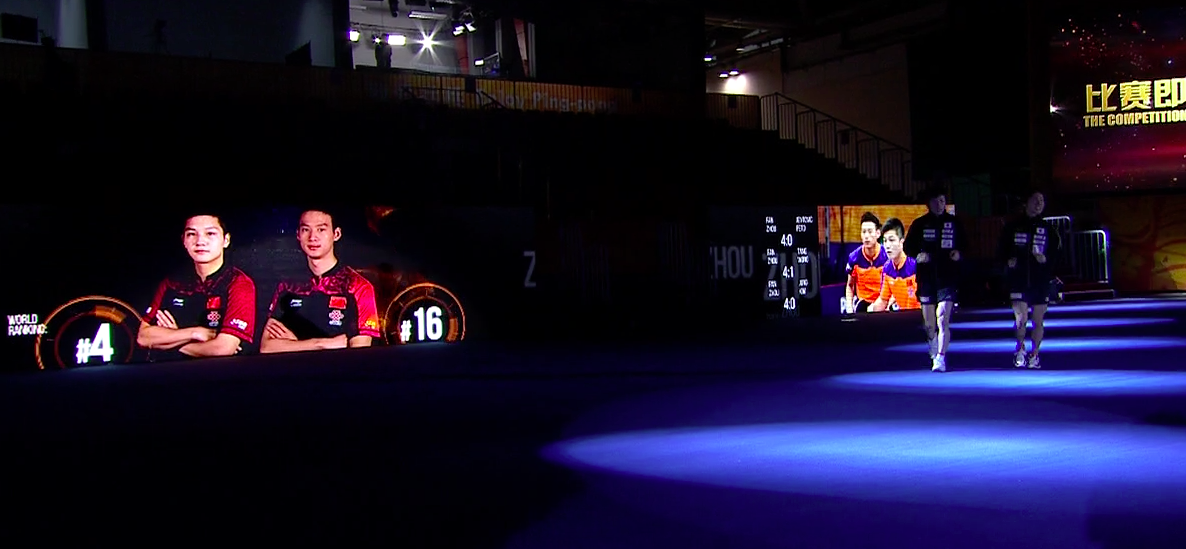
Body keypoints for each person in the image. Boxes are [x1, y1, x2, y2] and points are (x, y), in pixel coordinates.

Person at [137, 213, 257, 361]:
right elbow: (143, 337)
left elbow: (223, 348)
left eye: (210, 233)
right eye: (192, 234)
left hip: (222, 376)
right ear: (183, 241)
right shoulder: (171, 283)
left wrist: (171, 341)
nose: (200, 241)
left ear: (226, 240)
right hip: (171, 374)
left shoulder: (238, 282)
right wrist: (194, 333)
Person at [261, 208, 381, 354]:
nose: (313, 237)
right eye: (306, 230)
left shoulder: (357, 286)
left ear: (336, 234)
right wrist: (321, 344)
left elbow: (358, 354)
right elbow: (267, 347)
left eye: (321, 230)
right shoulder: (287, 286)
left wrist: (294, 344)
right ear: (298, 235)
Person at [904, 188, 965, 372]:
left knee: (942, 317)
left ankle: (941, 357)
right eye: (936, 201)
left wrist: (958, 253)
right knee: (930, 324)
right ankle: (933, 344)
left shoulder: (954, 223)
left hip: (947, 277)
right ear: (928, 204)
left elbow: (966, 245)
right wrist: (917, 255)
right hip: (927, 278)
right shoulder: (919, 224)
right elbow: (908, 247)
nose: (940, 204)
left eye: (942, 200)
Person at [1000, 190, 1060, 369]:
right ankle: (1020, 348)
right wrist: (1008, 260)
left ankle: (1035, 354)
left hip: (1040, 280)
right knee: (1021, 319)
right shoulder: (1012, 227)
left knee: (1038, 320)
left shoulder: (1049, 229)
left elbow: (1056, 254)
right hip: (1018, 279)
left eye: (1042, 200)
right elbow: (1001, 250)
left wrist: (1046, 261)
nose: (1039, 204)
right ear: (1026, 203)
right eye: (1035, 200)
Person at [869, 218, 919, 313]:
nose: (887, 245)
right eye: (885, 241)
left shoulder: (914, 266)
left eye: (891, 240)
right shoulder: (887, 268)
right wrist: (869, 311)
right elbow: (883, 300)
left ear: (901, 242)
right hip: (902, 320)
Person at [843, 211, 888, 314]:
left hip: (883, 305)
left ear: (878, 233)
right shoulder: (854, 258)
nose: (866, 236)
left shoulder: (887, 257)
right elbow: (850, 285)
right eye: (863, 232)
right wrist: (849, 309)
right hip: (862, 306)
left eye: (870, 231)